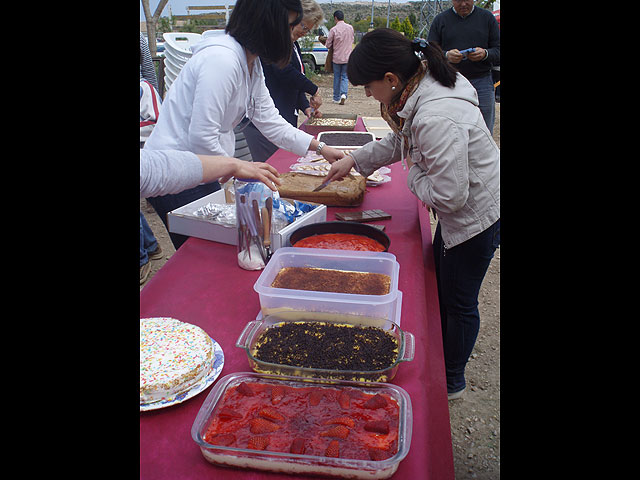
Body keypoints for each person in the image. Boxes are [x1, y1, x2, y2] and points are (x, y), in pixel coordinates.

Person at [324, 29, 500, 400]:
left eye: (369, 88)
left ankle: (451, 380)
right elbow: (402, 139)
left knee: (460, 300)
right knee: (443, 287)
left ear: (391, 78)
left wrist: (413, 174)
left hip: (475, 218)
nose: (369, 96)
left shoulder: (436, 116)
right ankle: (442, 358)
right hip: (467, 212)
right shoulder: (420, 87)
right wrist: (356, 159)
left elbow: (449, 197)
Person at [143, 0, 343, 249]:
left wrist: (321, 148)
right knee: (206, 253)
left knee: (227, 247)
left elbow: (270, 121)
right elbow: (201, 138)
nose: (292, 39)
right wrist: (237, 170)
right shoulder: (222, 61)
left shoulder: (252, 62)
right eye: (291, 27)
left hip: (206, 166)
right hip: (178, 172)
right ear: (266, 24)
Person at [243, 0, 325, 162]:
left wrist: (305, 106)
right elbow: (285, 73)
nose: (304, 32)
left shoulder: (294, 45)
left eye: (308, 30)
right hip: (264, 124)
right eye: (303, 27)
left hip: (280, 119)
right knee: (274, 168)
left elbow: (293, 83)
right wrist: (314, 89)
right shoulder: (274, 44)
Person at [427, 0, 500, 134]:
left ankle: (482, 155)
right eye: (459, 0)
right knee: (449, 127)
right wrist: (446, 55)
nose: (463, 4)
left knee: (484, 128)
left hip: (482, 82)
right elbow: (429, 52)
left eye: (467, 0)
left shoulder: (487, 18)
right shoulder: (441, 20)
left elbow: (498, 50)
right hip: (450, 82)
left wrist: (485, 54)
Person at [140, 149, 280, 199]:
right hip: (184, 176)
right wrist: (231, 165)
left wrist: (232, 164)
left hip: (199, 167)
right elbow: (153, 171)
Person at [140, 76, 164, 284]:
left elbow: (155, 122)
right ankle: (150, 245)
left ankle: (141, 259)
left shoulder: (144, 88)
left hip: (149, 157)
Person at [325, 10, 354, 104]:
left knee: (337, 77)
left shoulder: (333, 30)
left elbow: (328, 44)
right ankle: (344, 94)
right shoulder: (350, 28)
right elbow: (352, 40)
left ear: (335, 18)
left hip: (337, 58)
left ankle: (336, 97)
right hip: (348, 57)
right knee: (345, 77)